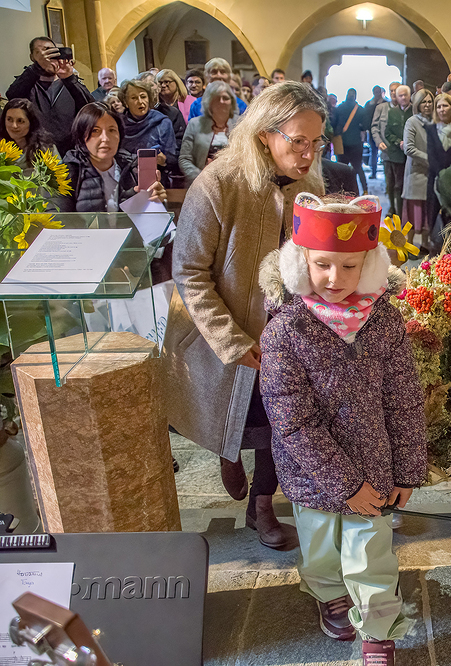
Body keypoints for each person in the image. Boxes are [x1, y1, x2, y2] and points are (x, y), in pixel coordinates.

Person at [258, 195, 424, 665]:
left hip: (374, 470)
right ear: (300, 263)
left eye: (349, 267)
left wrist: (407, 470)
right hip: (312, 475)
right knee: (319, 551)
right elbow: (293, 421)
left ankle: (377, 630)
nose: (335, 278)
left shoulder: (383, 320)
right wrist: (344, 483)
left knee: (371, 556)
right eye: (322, 265)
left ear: (368, 265)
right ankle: (330, 593)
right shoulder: (285, 331)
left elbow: (404, 398)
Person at [162, 82, 327, 552]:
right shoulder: (217, 184)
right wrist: (231, 340)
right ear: (263, 136)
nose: (308, 154)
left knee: (283, 420)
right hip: (223, 328)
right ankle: (227, 447)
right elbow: (189, 272)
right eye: (298, 141)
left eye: (316, 142)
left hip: (286, 332)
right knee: (237, 412)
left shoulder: (307, 186)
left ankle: (262, 505)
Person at [49, 102, 167, 213]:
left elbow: (154, 225)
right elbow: (57, 220)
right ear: (81, 135)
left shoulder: (133, 170)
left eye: (112, 130)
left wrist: (157, 203)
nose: (105, 138)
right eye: (95, 131)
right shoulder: (65, 173)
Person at [5, 36, 94, 154]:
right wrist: (36, 68)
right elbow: (12, 96)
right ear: (32, 57)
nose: (46, 56)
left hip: (71, 153)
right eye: (40, 52)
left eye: (50, 52)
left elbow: (90, 108)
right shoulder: (28, 84)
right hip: (36, 154)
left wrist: (70, 79)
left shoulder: (69, 83)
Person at [425, 93, 451, 248]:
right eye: (439, 107)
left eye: (445, 105)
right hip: (435, 178)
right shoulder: (430, 129)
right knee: (433, 214)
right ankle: (436, 249)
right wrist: (442, 176)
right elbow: (431, 154)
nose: (442, 109)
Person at [179, 80, 240, 185]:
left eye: (225, 98)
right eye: (216, 98)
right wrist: (202, 177)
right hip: (200, 184)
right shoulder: (194, 124)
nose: (221, 101)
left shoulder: (241, 124)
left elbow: (248, 159)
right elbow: (184, 159)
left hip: (233, 185)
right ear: (209, 102)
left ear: (232, 102)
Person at [117, 78, 178, 178]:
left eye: (143, 96)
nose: (140, 101)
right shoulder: (118, 123)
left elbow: (173, 158)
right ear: (125, 102)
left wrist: (164, 160)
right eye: (134, 98)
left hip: (155, 177)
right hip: (123, 177)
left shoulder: (162, 122)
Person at [402, 89, 434, 248]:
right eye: (423, 102)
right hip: (416, 173)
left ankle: (425, 244)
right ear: (417, 104)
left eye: (429, 101)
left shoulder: (436, 121)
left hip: (431, 174)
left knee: (428, 212)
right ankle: (409, 245)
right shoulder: (412, 122)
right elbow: (408, 148)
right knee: (414, 213)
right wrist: (430, 158)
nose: (427, 105)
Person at [0, 99, 57, 176]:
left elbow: (58, 176)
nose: (14, 125)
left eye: (20, 121)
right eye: (9, 119)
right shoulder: (1, 148)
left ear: (31, 123)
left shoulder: (46, 148)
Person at [382, 85, 411, 219]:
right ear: (397, 98)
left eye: (405, 95)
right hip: (396, 155)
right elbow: (387, 133)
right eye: (401, 96)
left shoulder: (414, 112)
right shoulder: (392, 112)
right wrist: (398, 142)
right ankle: (398, 214)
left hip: (411, 155)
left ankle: (408, 214)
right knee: (397, 185)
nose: (403, 98)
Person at [332, 88, 368, 195]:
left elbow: (334, 124)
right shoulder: (361, 110)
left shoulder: (339, 108)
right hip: (356, 143)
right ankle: (365, 190)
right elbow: (365, 126)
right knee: (358, 167)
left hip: (342, 143)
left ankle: (342, 191)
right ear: (355, 96)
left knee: (341, 168)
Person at [153, 69, 190, 157]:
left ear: (176, 82)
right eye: (160, 83)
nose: (163, 85)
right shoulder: (155, 106)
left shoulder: (191, 101)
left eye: (167, 82)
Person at [362, 86, 388, 180]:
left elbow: (366, 118)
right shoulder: (386, 104)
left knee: (375, 152)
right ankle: (376, 172)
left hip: (377, 131)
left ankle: (377, 173)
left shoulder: (369, 104)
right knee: (375, 152)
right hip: (376, 131)